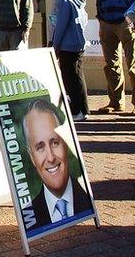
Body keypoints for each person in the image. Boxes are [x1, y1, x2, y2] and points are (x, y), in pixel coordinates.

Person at [22, 97, 94, 227]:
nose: (50, 158)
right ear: (31, 156)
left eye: (55, 143)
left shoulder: (86, 199)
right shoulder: (29, 216)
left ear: (65, 143)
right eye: (40, 147)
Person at [45, 0, 89, 122]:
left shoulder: (64, 0)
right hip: (77, 44)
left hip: (68, 46)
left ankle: (79, 110)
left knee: (72, 79)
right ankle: (82, 109)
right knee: (77, 77)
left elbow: (61, 26)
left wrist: (54, 45)